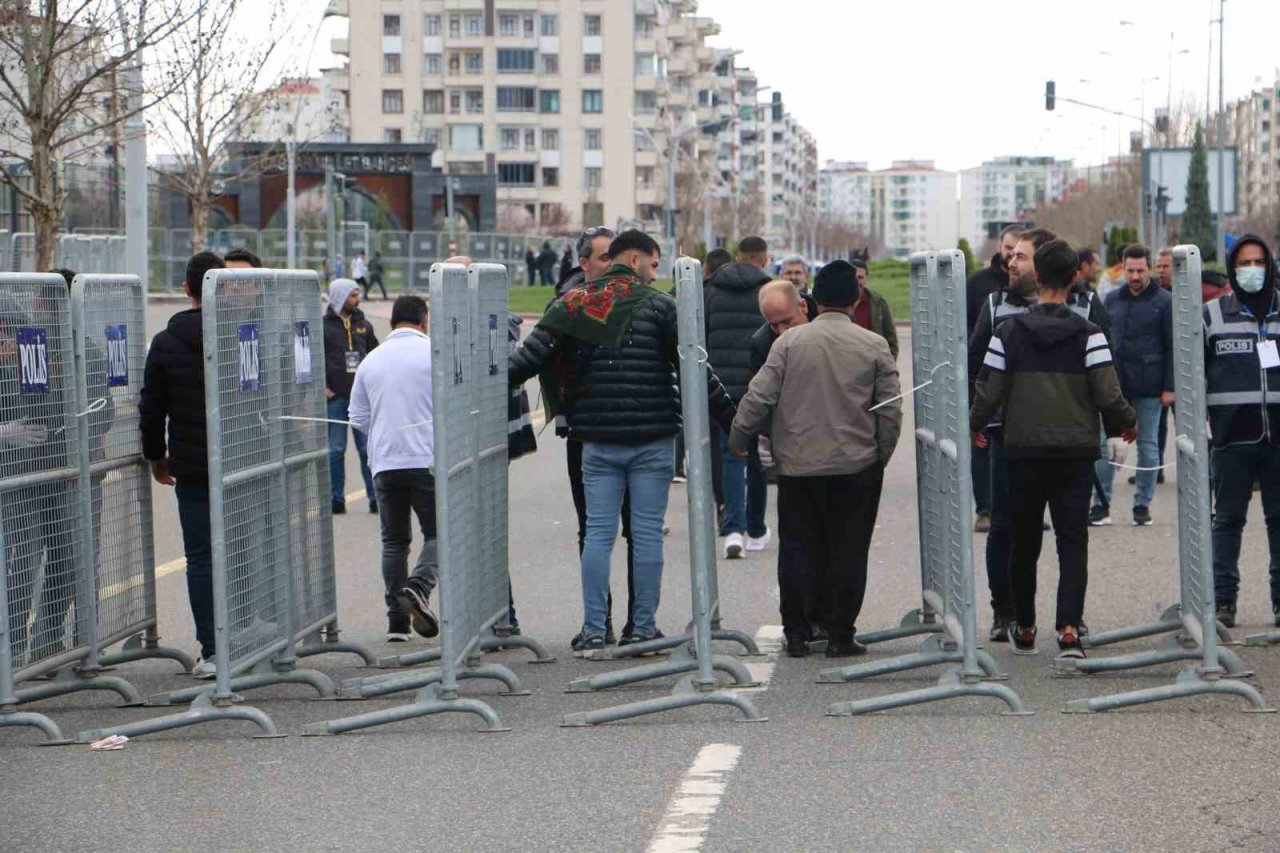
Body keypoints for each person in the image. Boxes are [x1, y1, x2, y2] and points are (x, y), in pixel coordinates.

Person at [510, 230, 737, 653]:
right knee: (646, 533)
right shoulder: (660, 306)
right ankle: (643, 628)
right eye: (653, 265)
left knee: (598, 533)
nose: (656, 274)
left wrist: (466, 390)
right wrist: (735, 421)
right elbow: (695, 370)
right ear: (634, 260)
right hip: (652, 437)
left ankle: (595, 629)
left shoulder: (574, 305)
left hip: (595, 439)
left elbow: (525, 362)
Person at [970, 240, 1136, 659]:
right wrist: (1125, 422)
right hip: (1074, 452)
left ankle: (1024, 625)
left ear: (1038, 277)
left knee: (1024, 542)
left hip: (1020, 450)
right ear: (1076, 277)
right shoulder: (1090, 333)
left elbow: (988, 387)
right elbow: (1106, 389)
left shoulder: (1007, 332)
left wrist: (976, 424)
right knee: (1072, 541)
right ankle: (1067, 628)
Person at [730, 260, 902, 658]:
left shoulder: (787, 344)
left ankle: (796, 632)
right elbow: (889, 410)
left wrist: (740, 437)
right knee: (848, 550)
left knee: (798, 548)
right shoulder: (873, 345)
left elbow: (758, 397)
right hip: (855, 465)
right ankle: (841, 634)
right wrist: (880, 454)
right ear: (856, 297)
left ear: (815, 298)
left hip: (797, 466)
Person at [546, 226, 636, 642]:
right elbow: (543, 362)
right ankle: (597, 623)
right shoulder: (566, 305)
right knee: (594, 530)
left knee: (639, 530)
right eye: (604, 258)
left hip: (639, 428)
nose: (613, 265)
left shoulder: (641, 299)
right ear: (584, 264)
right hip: (586, 431)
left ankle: (642, 623)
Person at [140, 251, 226, 678]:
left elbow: (151, 408)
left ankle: (212, 649)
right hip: (240, 460)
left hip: (190, 465)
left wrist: (157, 458)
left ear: (186, 289)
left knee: (200, 556)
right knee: (244, 549)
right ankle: (248, 638)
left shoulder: (166, 341)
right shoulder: (239, 335)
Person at [348, 295, 440, 642]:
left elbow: (357, 417)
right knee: (439, 533)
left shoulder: (372, 360)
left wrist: (384, 433)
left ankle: (397, 623)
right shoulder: (433, 356)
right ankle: (418, 587)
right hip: (426, 459)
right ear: (423, 319)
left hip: (385, 461)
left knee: (394, 541)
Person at [1204, 235, 1280, 629]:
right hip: (1232, 436)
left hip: (1278, 438)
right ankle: (1223, 602)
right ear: (1233, 268)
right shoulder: (1212, 314)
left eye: (1259, 262)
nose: (1252, 269)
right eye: (1244, 262)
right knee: (1228, 520)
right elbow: (1193, 372)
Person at [1093, 245, 1173, 527]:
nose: (1135, 276)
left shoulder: (1165, 302)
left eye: (1140, 270)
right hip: (1114, 388)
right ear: (1122, 269)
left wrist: (1169, 387)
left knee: (1149, 446)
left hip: (1150, 388)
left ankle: (1142, 505)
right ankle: (1100, 506)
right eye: (1130, 270)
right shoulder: (1111, 299)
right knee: (1103, 447)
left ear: (1148, 269)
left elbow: (1171, 347)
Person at [705, 235, 773, 558]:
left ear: (738, 256)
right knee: (758, 458)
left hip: (720, 388)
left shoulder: (711, 291)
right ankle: (757, 529)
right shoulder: (769, 292)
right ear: (763, 258)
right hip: (757, 386)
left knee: (730, 454)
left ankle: (733, 528)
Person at [967, 225, 1021, 532]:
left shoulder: (1032, 287)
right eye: (1008, 248)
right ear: (1000, 247)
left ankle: (1024, 508)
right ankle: (985, 510)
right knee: (983, 447)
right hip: (986, 379)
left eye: (1018, 252)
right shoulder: (978, 285)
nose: (1012, 257)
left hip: (1022, 386)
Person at [323, 278, 379, 516]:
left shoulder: (363, 325)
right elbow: (314, 360)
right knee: (335, 450)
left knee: (367, 450)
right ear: (339, 297)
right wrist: (323, 387)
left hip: (362, 398)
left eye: (358, 294)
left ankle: (375, 498)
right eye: (353, 295)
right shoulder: (323, 327)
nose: (358, 299)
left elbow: (377, 355)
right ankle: (336, 499)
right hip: (335, 397)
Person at [850, 258, 899, 359]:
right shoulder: (837, 303)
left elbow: (891, 341)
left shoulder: (879, 303)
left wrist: (887, 369)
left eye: (860, 277)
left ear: (866, 279)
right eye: (853, 277)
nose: (857, 281)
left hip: (873, 368)